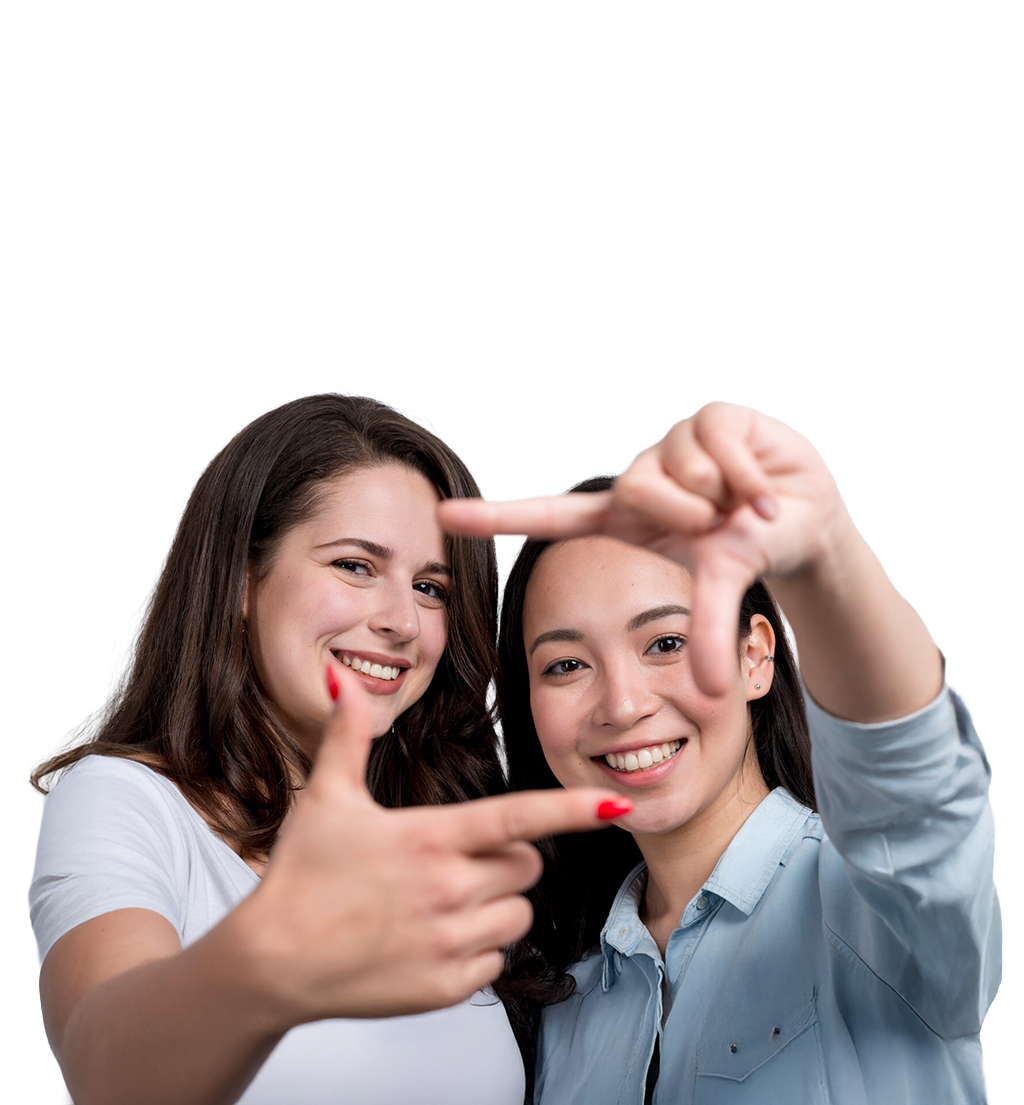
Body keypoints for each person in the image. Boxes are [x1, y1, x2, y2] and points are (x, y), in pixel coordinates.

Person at [27, 388, 629, 1105]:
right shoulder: (123, 800)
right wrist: (266, 963)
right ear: (241, 579)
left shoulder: (448, 831)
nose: (404, 621)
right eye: (354, 565)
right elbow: (110, 1070)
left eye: (430, 587)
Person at [440, 400, 1001, 1104]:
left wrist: (825, 550)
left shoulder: (869, 906)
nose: (622, 705)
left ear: (755, 655)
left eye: (667, 642)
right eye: (566, 665)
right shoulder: (565, 1000)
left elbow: (915, 782)